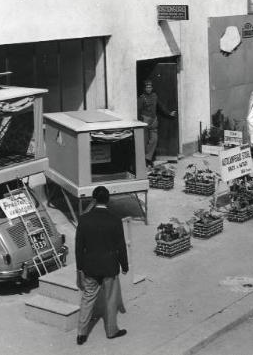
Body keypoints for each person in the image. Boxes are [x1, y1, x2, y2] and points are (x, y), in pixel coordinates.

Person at [75, 186, 128, 345]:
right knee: (111, 299)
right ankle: (112, 331)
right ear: (108, 199)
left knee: (87, 299)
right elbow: (121, 246)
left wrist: (80, 269)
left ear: (94, 199)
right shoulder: (115, 220)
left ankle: (81, 334)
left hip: (90, 267)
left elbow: (79, 247)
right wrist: (124, 265)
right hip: (109, 267)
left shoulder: (84, 220)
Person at [137, 79, 176, 167]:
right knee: (144, 141)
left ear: (152, 88)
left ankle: (148, 158)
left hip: (154, 120)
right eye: (147, 87)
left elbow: (160, 106)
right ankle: (143, 160)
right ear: (144, 88)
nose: (148, 89)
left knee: (154, 140)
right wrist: (140, 121)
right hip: (145, 121)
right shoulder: (141, 98)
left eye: (150, 87)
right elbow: (138, 111)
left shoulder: (155, 96)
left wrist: (169, 113)